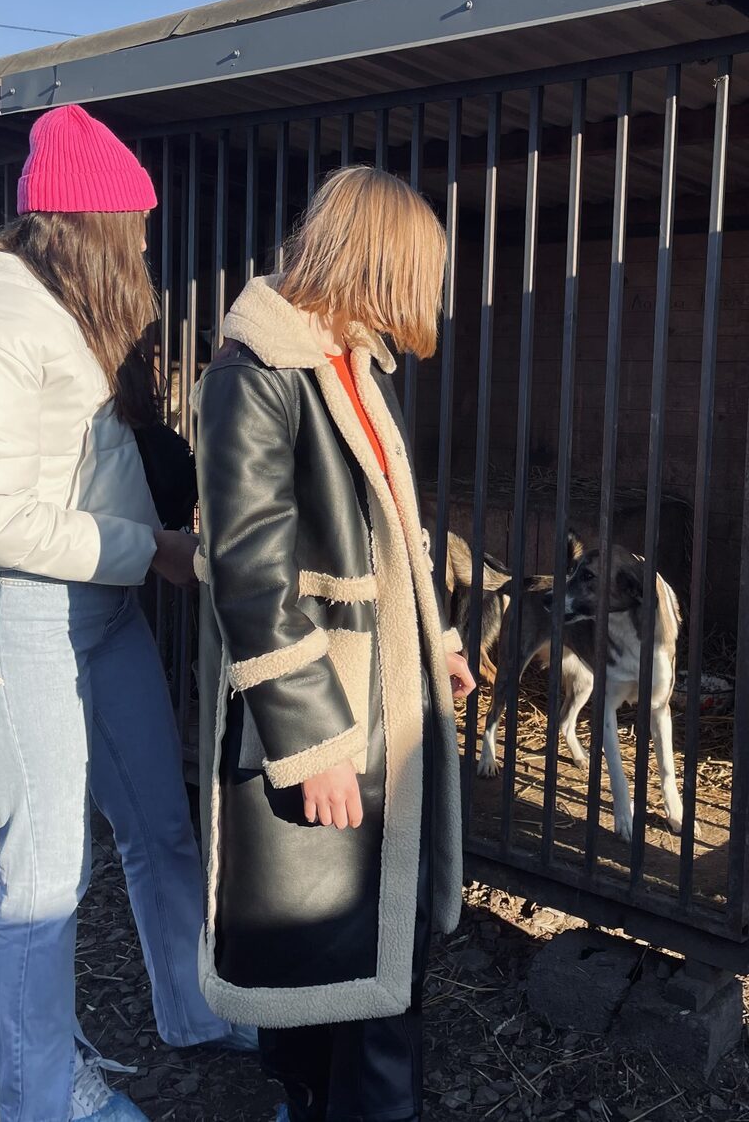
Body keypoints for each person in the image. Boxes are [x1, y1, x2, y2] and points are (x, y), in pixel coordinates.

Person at [0, 104, 254, 1122]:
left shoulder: (53, 321)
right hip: (19, 630)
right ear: (87, 226)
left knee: (160, 832)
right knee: (47, 878)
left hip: (98, 620)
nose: (144, 246)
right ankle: (42, 1096)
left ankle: (196, 1008)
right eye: (134, 227)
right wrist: (160, 551)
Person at [192, 164, 475, 1122]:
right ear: (380, 261)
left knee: (369, 964)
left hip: (377, 703)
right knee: (348, 965)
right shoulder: (256, 373)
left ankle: (319, 1102)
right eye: (420, 271)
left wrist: (433, 643)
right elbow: (250, 576)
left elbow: (391, 535)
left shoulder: (346, 363)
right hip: (331, 718)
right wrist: (311, 744)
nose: (427, 297)